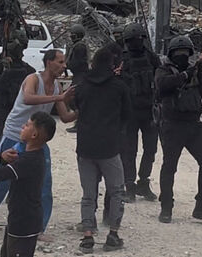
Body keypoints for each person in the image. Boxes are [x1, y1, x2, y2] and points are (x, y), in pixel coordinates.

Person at [0, 50, 77, 239]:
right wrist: (59, 98)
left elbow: (65, 117)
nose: (64, 66)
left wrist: (84, 108)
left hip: (37, 141)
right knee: (3, 181)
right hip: (15, 136)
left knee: (44, 185)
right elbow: (29, 98)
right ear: (48, 62)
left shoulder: (55, 86)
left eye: (65, 62)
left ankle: (39, 228)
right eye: (60, 61)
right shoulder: (33, 79)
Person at [0, 112, 57, 257]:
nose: (22, 126)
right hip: (18, 218)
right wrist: (3, 160)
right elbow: (7, 170)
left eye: (27, 125)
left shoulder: (30, 161)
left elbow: (1, 175)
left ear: (34, 135)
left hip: (25, 222)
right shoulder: (29, 157)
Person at [155, 35, 202, 225]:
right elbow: (162, 86)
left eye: (186, 54)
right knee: (169, 167)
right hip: (172, 125)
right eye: (179, 54)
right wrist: (185, 75)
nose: (182, 57)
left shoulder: (194, 70)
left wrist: (200, 71)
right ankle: (166, 207)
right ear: (172, 54)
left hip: (194, 125)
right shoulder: (164, 70)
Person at [75, 47, 131, 254]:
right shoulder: (119, 87)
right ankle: (113, 235)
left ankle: (87, 237)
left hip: (85, 147)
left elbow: (77, 107)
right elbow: (127, 115)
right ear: (112, 65)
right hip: (109, 147)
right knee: (116, 191)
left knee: (88, 194)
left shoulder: (82, 86)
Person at [118, 23, 161, 201]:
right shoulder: (122, 59)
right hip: (130, 112)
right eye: (134, 40)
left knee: (150, 149)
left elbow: (161, 78)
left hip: (149, 110)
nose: (137, 43)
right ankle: (129, 184)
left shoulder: (151, 58)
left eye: (140, 39)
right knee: (129, 150)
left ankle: (143, 182)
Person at [0, 37, 36, 148]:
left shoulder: (26, 69)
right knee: (0, 135)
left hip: (19, 108)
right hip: (3, 106)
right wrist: (6, 70)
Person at [64, 24, 88, 134]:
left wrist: (67, 64)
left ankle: (80, 123)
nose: (71, 37)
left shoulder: (79, 47)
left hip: (81, 75)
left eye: (72, 35)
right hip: (78, 75)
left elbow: (76, 63)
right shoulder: (77, 46)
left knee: (73, 99)